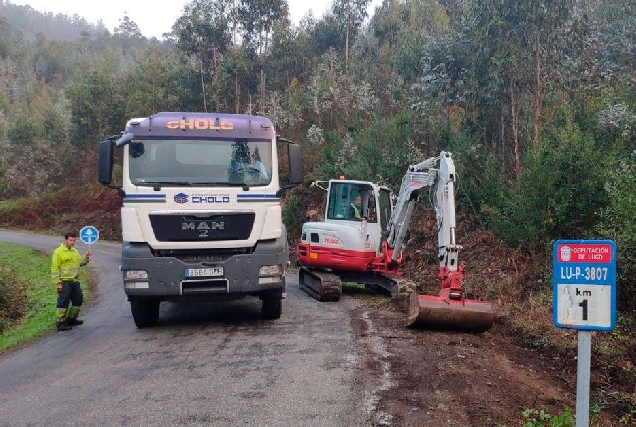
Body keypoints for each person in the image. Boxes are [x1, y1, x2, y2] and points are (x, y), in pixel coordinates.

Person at [51, 231, 92, 331]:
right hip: (64, 282)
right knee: (63, 302)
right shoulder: (58, 252)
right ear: (66, 240)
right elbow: (54, 268)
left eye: (74, 240)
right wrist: (57, 283)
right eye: (70, 240)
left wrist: (86, 256)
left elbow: (81, 263)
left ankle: (71, 319)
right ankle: (60, 323)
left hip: (74, 281)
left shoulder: (74, 252)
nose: (72, 242)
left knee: (78, 300)